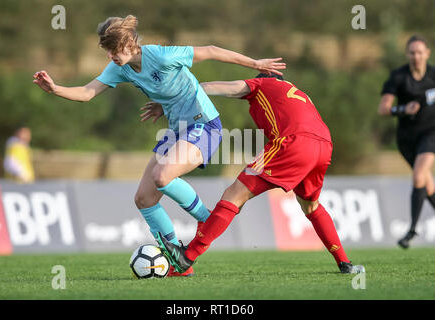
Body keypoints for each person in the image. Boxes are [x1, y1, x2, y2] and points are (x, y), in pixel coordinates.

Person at [32, 15, 286, 276]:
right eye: (107, 51)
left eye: (114, 50)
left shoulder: (162, 56)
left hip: (204, 125)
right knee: (143, 198)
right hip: (177, 131)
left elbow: (210, 50)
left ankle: (206, 219)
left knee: (162, 176)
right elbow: (87, 93)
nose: (110, 56)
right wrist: (55, 89)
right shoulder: (120, 68)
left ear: (130, 43)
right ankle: (178, 261)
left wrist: (255, 63)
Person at [154, 73, 365, 274]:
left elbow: (215, 88)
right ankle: (344, 262)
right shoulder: (298, 93)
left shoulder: (262, 85)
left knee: (234, 194)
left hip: (293, 143)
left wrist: (173, 99)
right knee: (311, 206)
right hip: (324, 146)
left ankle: (187, 257)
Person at [378, 35, 435, 249]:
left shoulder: (433, 75)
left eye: (420, 52)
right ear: (407, 55)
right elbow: (383, 108)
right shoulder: (398, 77)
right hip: (407, 139)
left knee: (419, 175)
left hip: (430, 134)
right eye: (412, 52)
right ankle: (412, 230)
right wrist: (402, 109)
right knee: (427, 184)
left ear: (427, 53)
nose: (416, 56)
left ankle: (411, 231)